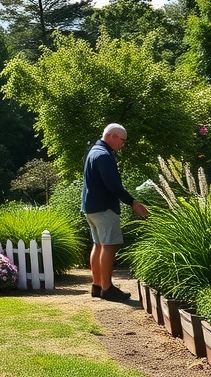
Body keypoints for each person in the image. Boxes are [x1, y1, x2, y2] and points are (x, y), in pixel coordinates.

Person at [82, 123, 148, 301]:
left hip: (91, 208)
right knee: (109, 246)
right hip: (105, 207)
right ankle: (107, 288)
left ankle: (97, 286)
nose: (123, 144)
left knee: (98, 245)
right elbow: (113, 185)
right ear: (112, 136)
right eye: (122, 140)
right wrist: (132, 201)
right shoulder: (103, 156)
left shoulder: (94, 151)